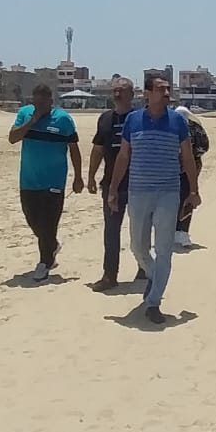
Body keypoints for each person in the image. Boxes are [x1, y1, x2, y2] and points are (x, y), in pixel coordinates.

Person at [108, 73, 200, 325]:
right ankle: (153, 275)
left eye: (168, 89)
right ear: (147, 94)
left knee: (164, 249)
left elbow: (188, 157)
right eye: (161, 89)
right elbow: (124, 156)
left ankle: (153, 301)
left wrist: (193, 190)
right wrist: (113, 189)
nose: (167, 93)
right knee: (138, 246)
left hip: (168, 193)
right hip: (138, 191)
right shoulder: (133, 120)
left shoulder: (178, 121)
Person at [8, 84, 84, 280]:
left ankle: (45, 262)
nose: (40, 105)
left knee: (48, 223)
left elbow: (74, 149)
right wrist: (32, 120)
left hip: (54, 182)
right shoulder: (24, 114)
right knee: (33, 220)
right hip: (29, 181)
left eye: (44, 102)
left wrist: (78, 177)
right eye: (37, 102)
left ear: (51, 101)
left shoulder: (63, 119)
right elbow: (13, 138)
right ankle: (52, 245)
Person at [87, 78, 144, 291]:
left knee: (140, 229)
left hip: (139, 184)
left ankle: (144, 267)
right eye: (115, 90)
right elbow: (98, 149)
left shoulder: (140, 118)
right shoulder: (105, 119)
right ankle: (109, 275)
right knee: (111, 231)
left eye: (123, 90)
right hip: (112, 184)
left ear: (132, 94)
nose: (118, 94)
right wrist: (91, 176)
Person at [174, 107, 210, 248]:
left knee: (187, 198)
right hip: (175, 169)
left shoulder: (194, 128)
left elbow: (203, 147)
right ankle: (177, 231)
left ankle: (182, 232)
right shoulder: (171, 126)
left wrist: (189, 156)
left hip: (188, 169)